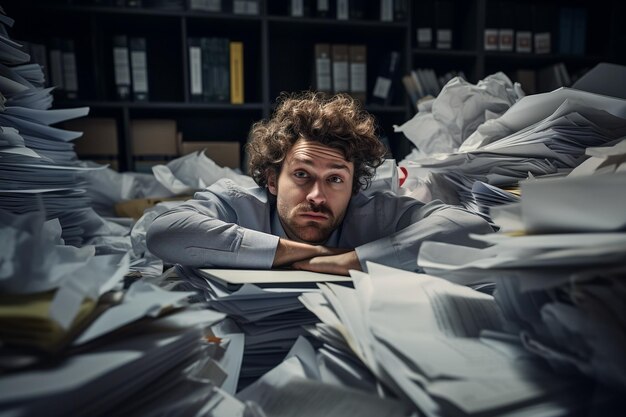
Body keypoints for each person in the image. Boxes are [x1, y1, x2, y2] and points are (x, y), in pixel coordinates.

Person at [146, 92, 493, 275]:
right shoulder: (235, 201)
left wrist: (355, 260)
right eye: (301, 175)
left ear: (353, 187)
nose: (317, 195)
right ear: (271, 179)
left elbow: (473, 228)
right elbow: (163, 233)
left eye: (335, 179)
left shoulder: (373, 212)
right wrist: (317, 255)